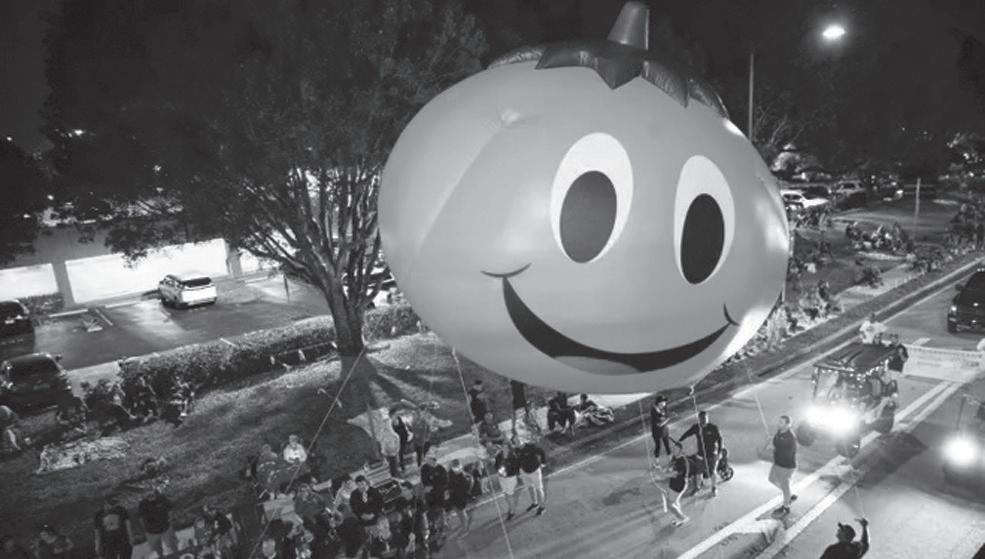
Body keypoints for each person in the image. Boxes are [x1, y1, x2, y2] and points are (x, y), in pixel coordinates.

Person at [678, 410, 723, 497]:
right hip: (701, 454)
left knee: (712, 472)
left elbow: (720, 440)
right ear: (699, 419)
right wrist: (680, 440)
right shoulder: (696, 427)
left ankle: (714, 487)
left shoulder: (713, 428)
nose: (704, 420)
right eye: (702, 418)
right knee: (698, 472)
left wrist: (719, 452)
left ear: (708, 418)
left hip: (712, 454)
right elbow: (688, 433)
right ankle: (698, 487)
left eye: (705, 418)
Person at [138, 482, 179, 557]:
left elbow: (170, 508)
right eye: (147, 493)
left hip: (166, 527)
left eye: (151, 492)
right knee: (158, 549)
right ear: (145, 494)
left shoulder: (162, 498)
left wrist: (170, 519)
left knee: (173, 545)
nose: (150, 495)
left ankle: (177, 556)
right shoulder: (142, 504)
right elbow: (141, 518)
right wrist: (145, 529)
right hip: (151, 531)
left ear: (154, 491)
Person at [768, 415, 799, 515]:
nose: (778, 424)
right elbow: (776, 442)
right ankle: (789, 495)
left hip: (786, 466)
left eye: (781, 422)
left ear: (788, 425)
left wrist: (774, 446)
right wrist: (773, 441)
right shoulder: (780, 432)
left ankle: (786, 507)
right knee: (772, 479)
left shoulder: (790, 438)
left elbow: (787, 453)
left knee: (785, 486)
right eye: (779, 421)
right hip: (778, 463)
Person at [516, 437, 547, 516]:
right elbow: (517, 461)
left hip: (535, 471)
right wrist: (518, 472)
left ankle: (542, 507)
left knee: (539, 489)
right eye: (515, 441)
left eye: (518, 440)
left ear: (523, 440)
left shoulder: (531, 446)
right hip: (524, 472)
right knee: (530, 488)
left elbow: (541, 451)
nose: (518, 442)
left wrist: (543, 462)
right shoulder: (517, 450)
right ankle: (534, 503)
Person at [664, 443, 691, 527]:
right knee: (675, 501)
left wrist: (661, 476)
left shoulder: (682, 462)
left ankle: (682, 518)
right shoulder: (675, 457)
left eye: (676, 449)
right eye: (673, 448)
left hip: (679, 485)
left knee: (670, 504)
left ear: (680, 451)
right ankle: (679, 518)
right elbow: (670, 465)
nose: (674, 450)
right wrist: (666, 469)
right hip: (674, 482)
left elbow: (674, 474)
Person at [446, 459, 474, 536]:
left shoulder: (464, 477)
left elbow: (466, 487)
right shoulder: (451, 473)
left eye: (457, 467)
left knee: (460, 512)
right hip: (453, 497)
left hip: (460, 497)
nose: (456, 469)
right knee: (457, 511)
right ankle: (464, 523)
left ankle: (465, 528)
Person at [496, 438, 523, 520]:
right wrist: (500, 471)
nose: (504, 448)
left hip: (510, 478)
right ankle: (510, 507)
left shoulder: (513, 456)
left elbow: (516, 467)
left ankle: (512, 512)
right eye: (503, 446)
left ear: (509, 447)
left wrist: (506, 473)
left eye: (506, 447)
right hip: (502, 478)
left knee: (509, 495)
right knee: (505, 494)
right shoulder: (499, 455)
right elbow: (496, 465)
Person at [650, 395, 674, 467]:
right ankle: (657, 463)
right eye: (663, 402)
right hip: (657, 431)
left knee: (667, 446)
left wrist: (667, 417)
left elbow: (666, 415)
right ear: (659, 403)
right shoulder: (654, 411)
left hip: (664, 430)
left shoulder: (664, 408)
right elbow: (659, 424)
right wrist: (668, 419)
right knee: (658, 446)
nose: (665, 403)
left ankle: (671, 461)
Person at [390, 408, 410, 474]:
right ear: (392, 414)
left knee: (401, 453)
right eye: (395, 413)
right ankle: (401, 468)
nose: (397, 414)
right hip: (397, 440)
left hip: (403, 438)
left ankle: (401, 467)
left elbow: (403, 427)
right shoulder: (391, 422)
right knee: (399, 454)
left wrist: (407, 434)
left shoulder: (399, 418)